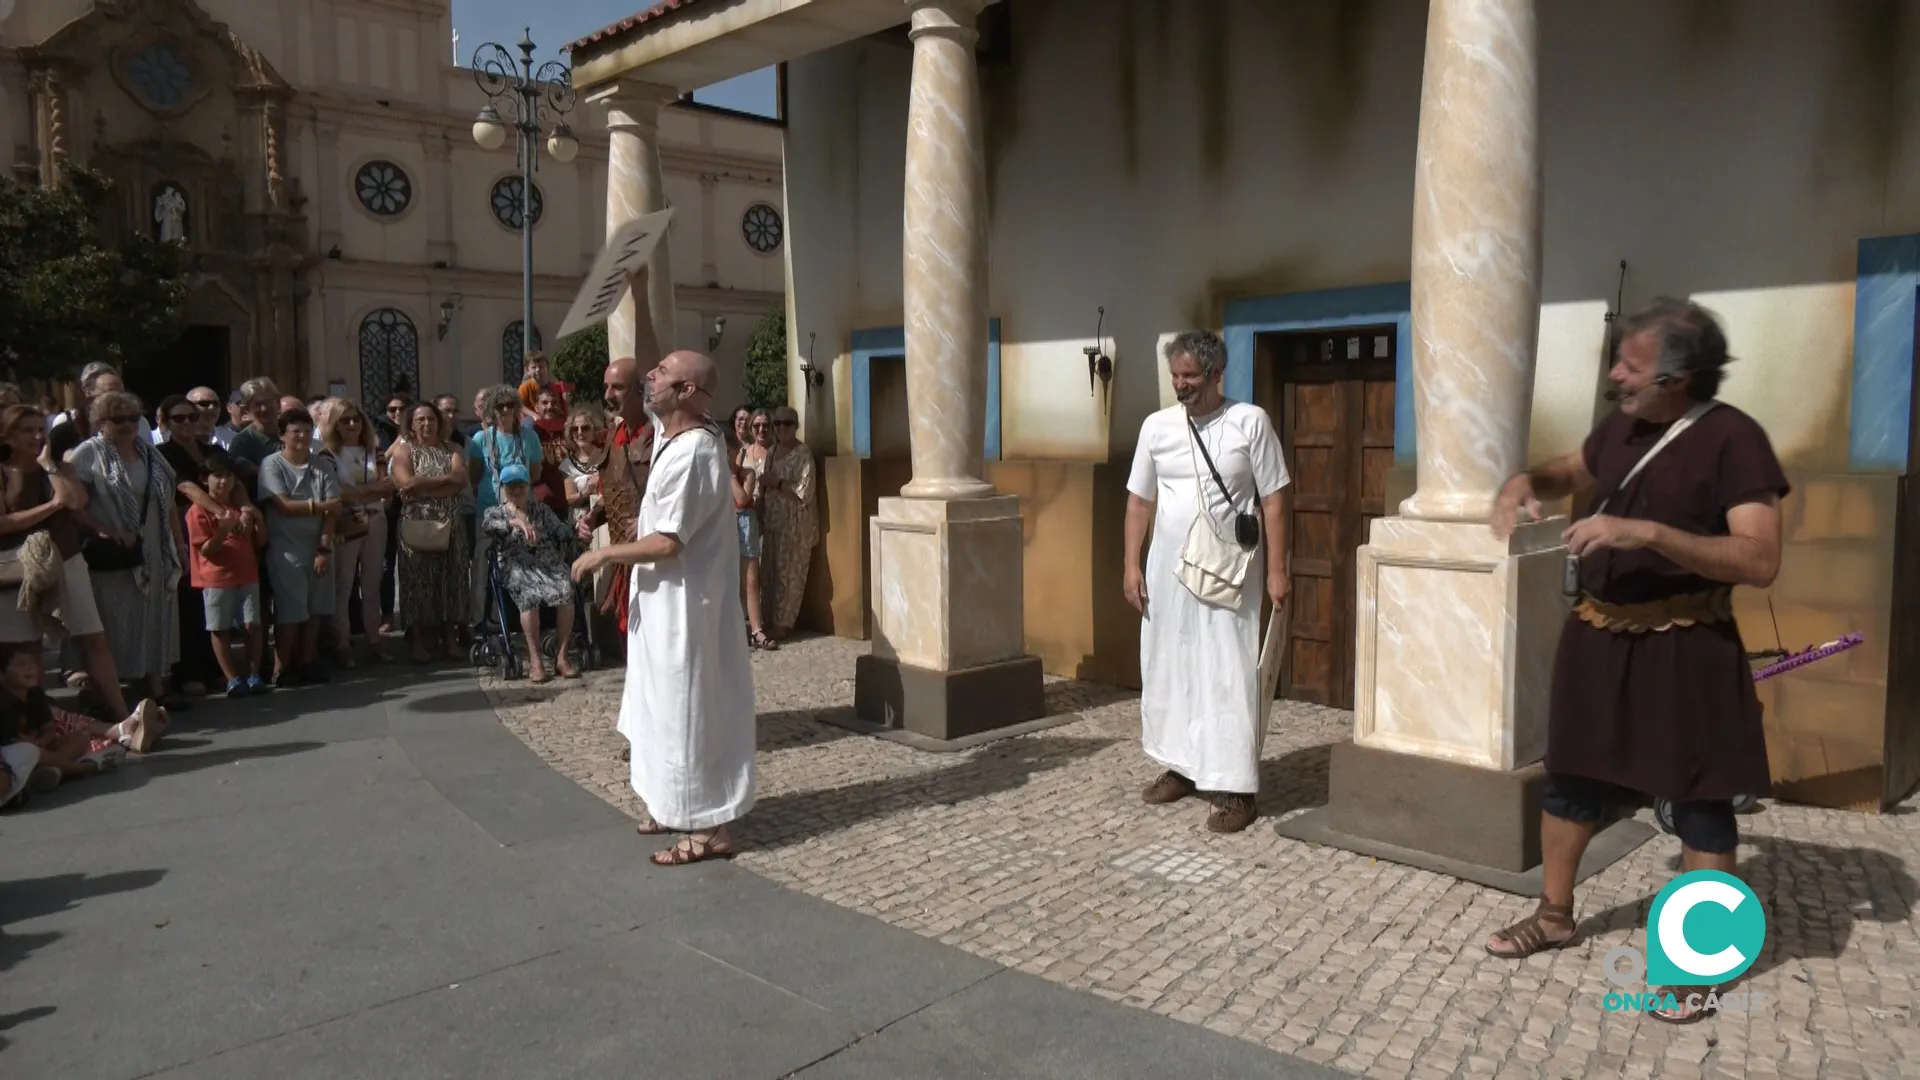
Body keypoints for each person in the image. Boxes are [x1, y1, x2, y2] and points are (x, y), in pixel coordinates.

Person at [1482, 299, 1787, 1024]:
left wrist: (1646, 533)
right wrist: (1524, 481)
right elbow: (1569, 468)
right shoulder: (1623, 427)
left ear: (1676, 378)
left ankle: (1697, 961)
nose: (1615, 374)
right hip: (1597, 635)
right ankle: (1554, 914)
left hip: (1687, 646)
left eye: (1630, 365)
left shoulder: (1734, 441)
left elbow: (1760, 558)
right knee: (1570, 779)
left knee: (1701, 800)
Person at [573, 349, 754, 865]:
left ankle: (708, 828)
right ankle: (669, 804)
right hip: (661, 602)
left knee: (686, 713)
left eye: (663, 373)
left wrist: (604, 553)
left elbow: (669, 542)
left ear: (687, 391)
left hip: (685, 610)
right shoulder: (672, 431)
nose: (649, 376)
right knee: (655, 707)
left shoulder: (694, 449)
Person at [1122, 330, 1292, 834]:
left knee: (1226, 670)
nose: (1181, 384)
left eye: (1191, 376)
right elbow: (1139, 502)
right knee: (1171, 666)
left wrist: (1278, 569)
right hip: (1168, 573)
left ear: (1217, 374)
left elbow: (1275, 499)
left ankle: (1237, 788)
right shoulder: (1156, 428)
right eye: (1176, 375)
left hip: (1228, 571)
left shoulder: (1250, 422)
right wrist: (1131, 565)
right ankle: (1182, 766)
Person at [0, 405, 130, 721]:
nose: (37, 436)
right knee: (26, 648)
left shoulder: (59, 467)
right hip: (18, 568)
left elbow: (75, 501)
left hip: (66, 560)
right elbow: (3, 523)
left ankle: (122, 715)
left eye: (40, 429)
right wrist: (51, 507)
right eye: (27, 431)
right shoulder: (3, 472)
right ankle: (36, 723)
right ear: (7, 436)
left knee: (93, 638)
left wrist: (49, 467)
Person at [69, 391, 187, 710]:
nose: (128, 425)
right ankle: (109, 693)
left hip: (155, 548)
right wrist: (104, 530)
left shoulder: (149, 453)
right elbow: (71, 506)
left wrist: (178, 544)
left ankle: (155, 687)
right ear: (100, 423)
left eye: (133, 418)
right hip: (116, 553)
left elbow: (168, 502)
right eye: (118, 419)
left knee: (155, 616)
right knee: (116, 622)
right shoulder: (87, 454)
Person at [257, 407, 340, 687]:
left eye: (306, 430)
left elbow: (333, 511)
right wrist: (319, 506)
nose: (302, 436)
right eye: (295, 431)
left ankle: (306, 660)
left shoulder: (322, 465)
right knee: (291, 611)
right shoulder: (272, 465)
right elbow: (283, 505)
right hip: (286, 549)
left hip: (317, 546)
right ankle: (281, 667)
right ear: (282, 435)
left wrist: (324, 549)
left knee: (316, 608)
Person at [482, 463, 579, 683]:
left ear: (529, 486)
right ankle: (535, 661)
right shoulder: (495, 512)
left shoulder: (541, 511)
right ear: (503, 487)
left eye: (521, 485)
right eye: (511, 486)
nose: (516, 490)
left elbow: (561, 530)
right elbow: (487, 525)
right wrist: (515, 522)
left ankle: (562, 657)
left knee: (566, 588)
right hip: (517, 566)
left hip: (547, 565)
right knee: (530, 595)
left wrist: (577, 530)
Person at [390, 401, 470, 663]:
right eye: (420, 420)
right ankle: (417, 640)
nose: (427, 424)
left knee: (451, 580)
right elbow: (406, 484)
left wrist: (422, 483)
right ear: (411, 425)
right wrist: (443, 483)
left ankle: (450, 638)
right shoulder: (404, 450)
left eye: (431, 419)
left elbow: (460, 479)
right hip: (417, 524)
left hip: (451, 525)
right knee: (417, 581)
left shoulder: (453, 449)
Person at [318, 398, 395, 665]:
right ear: (335, 424)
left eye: (356, 419)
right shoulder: (328, 454)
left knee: (372, 583)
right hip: (346, 521)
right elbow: (334, 492)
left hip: (375, 518)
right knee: (344, 584)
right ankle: (342, 642)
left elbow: (387, 486)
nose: (352, 424)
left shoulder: (374, 450)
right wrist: (368, 491)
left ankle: (374, 640)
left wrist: (360, 493)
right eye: (345, 420)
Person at [187, 450, 270, 696]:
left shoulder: (240, 505)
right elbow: (206, 550)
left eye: (228, 476)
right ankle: (231, 678)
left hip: (247, 573)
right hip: (216, 577)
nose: (223, 481)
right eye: (218, 476)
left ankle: (254, 674)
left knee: (252, 625)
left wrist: (258, 519)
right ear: (205, 479)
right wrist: (223, 531)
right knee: (220, 628)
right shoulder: (197, 511)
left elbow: (260, 541)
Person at [467, 385, 545, 631]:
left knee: (526, 564)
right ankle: (482, 619)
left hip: (523, 509)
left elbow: (535, 473)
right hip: (489, 509)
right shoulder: (481, 439)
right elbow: (474, 474)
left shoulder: (530, 438)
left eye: (509, 405)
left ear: (516, 408)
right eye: (499, 406)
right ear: (491, 409)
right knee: (483, 564)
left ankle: (524, 620)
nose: (504, 410)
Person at [756, 406, 817, 641]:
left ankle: (783, 624)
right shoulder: (772, 451)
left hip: (795, 525)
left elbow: (805, 492)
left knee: (788, 575)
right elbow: (764, 485)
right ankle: (768, 620)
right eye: (778, 423)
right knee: (769, 572)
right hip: (772, 521)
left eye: (787, 423)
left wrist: (778, 483)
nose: (782, 428)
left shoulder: (803, 454)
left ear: (796, 426)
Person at [723, 413, 773, 650]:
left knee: (751, 579)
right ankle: (733, 629)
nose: (727, 457)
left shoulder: (748, 474)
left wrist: (731, 475)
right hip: (724, 525)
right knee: (727, 579)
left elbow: (742, 499)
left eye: (730, 452)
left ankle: (757, 629)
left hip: (745, 522)